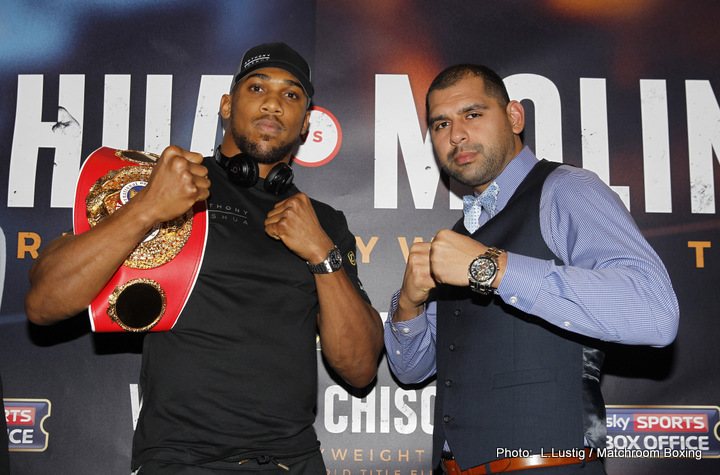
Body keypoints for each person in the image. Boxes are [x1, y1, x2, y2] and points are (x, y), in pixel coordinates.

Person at [25, 42, 384, 474]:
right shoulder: (166, 183)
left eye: (291, 95)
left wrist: (321, 254)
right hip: (183, 459)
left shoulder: (323, 221)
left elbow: (361, 368)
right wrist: (148, 209)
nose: (274, 102)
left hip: (294, 461)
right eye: (257, 87)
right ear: (227, 105)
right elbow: (44, 303)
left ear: (305, 123)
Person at [384, 64, 679, 474]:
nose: (456, 135)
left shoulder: (565, 189)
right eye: (440, 124)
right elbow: (412, 369)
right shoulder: (458, 236)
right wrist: (409, 307)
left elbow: (655, 313)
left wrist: (489, 267)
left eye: (473, 114)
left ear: (514, 117)